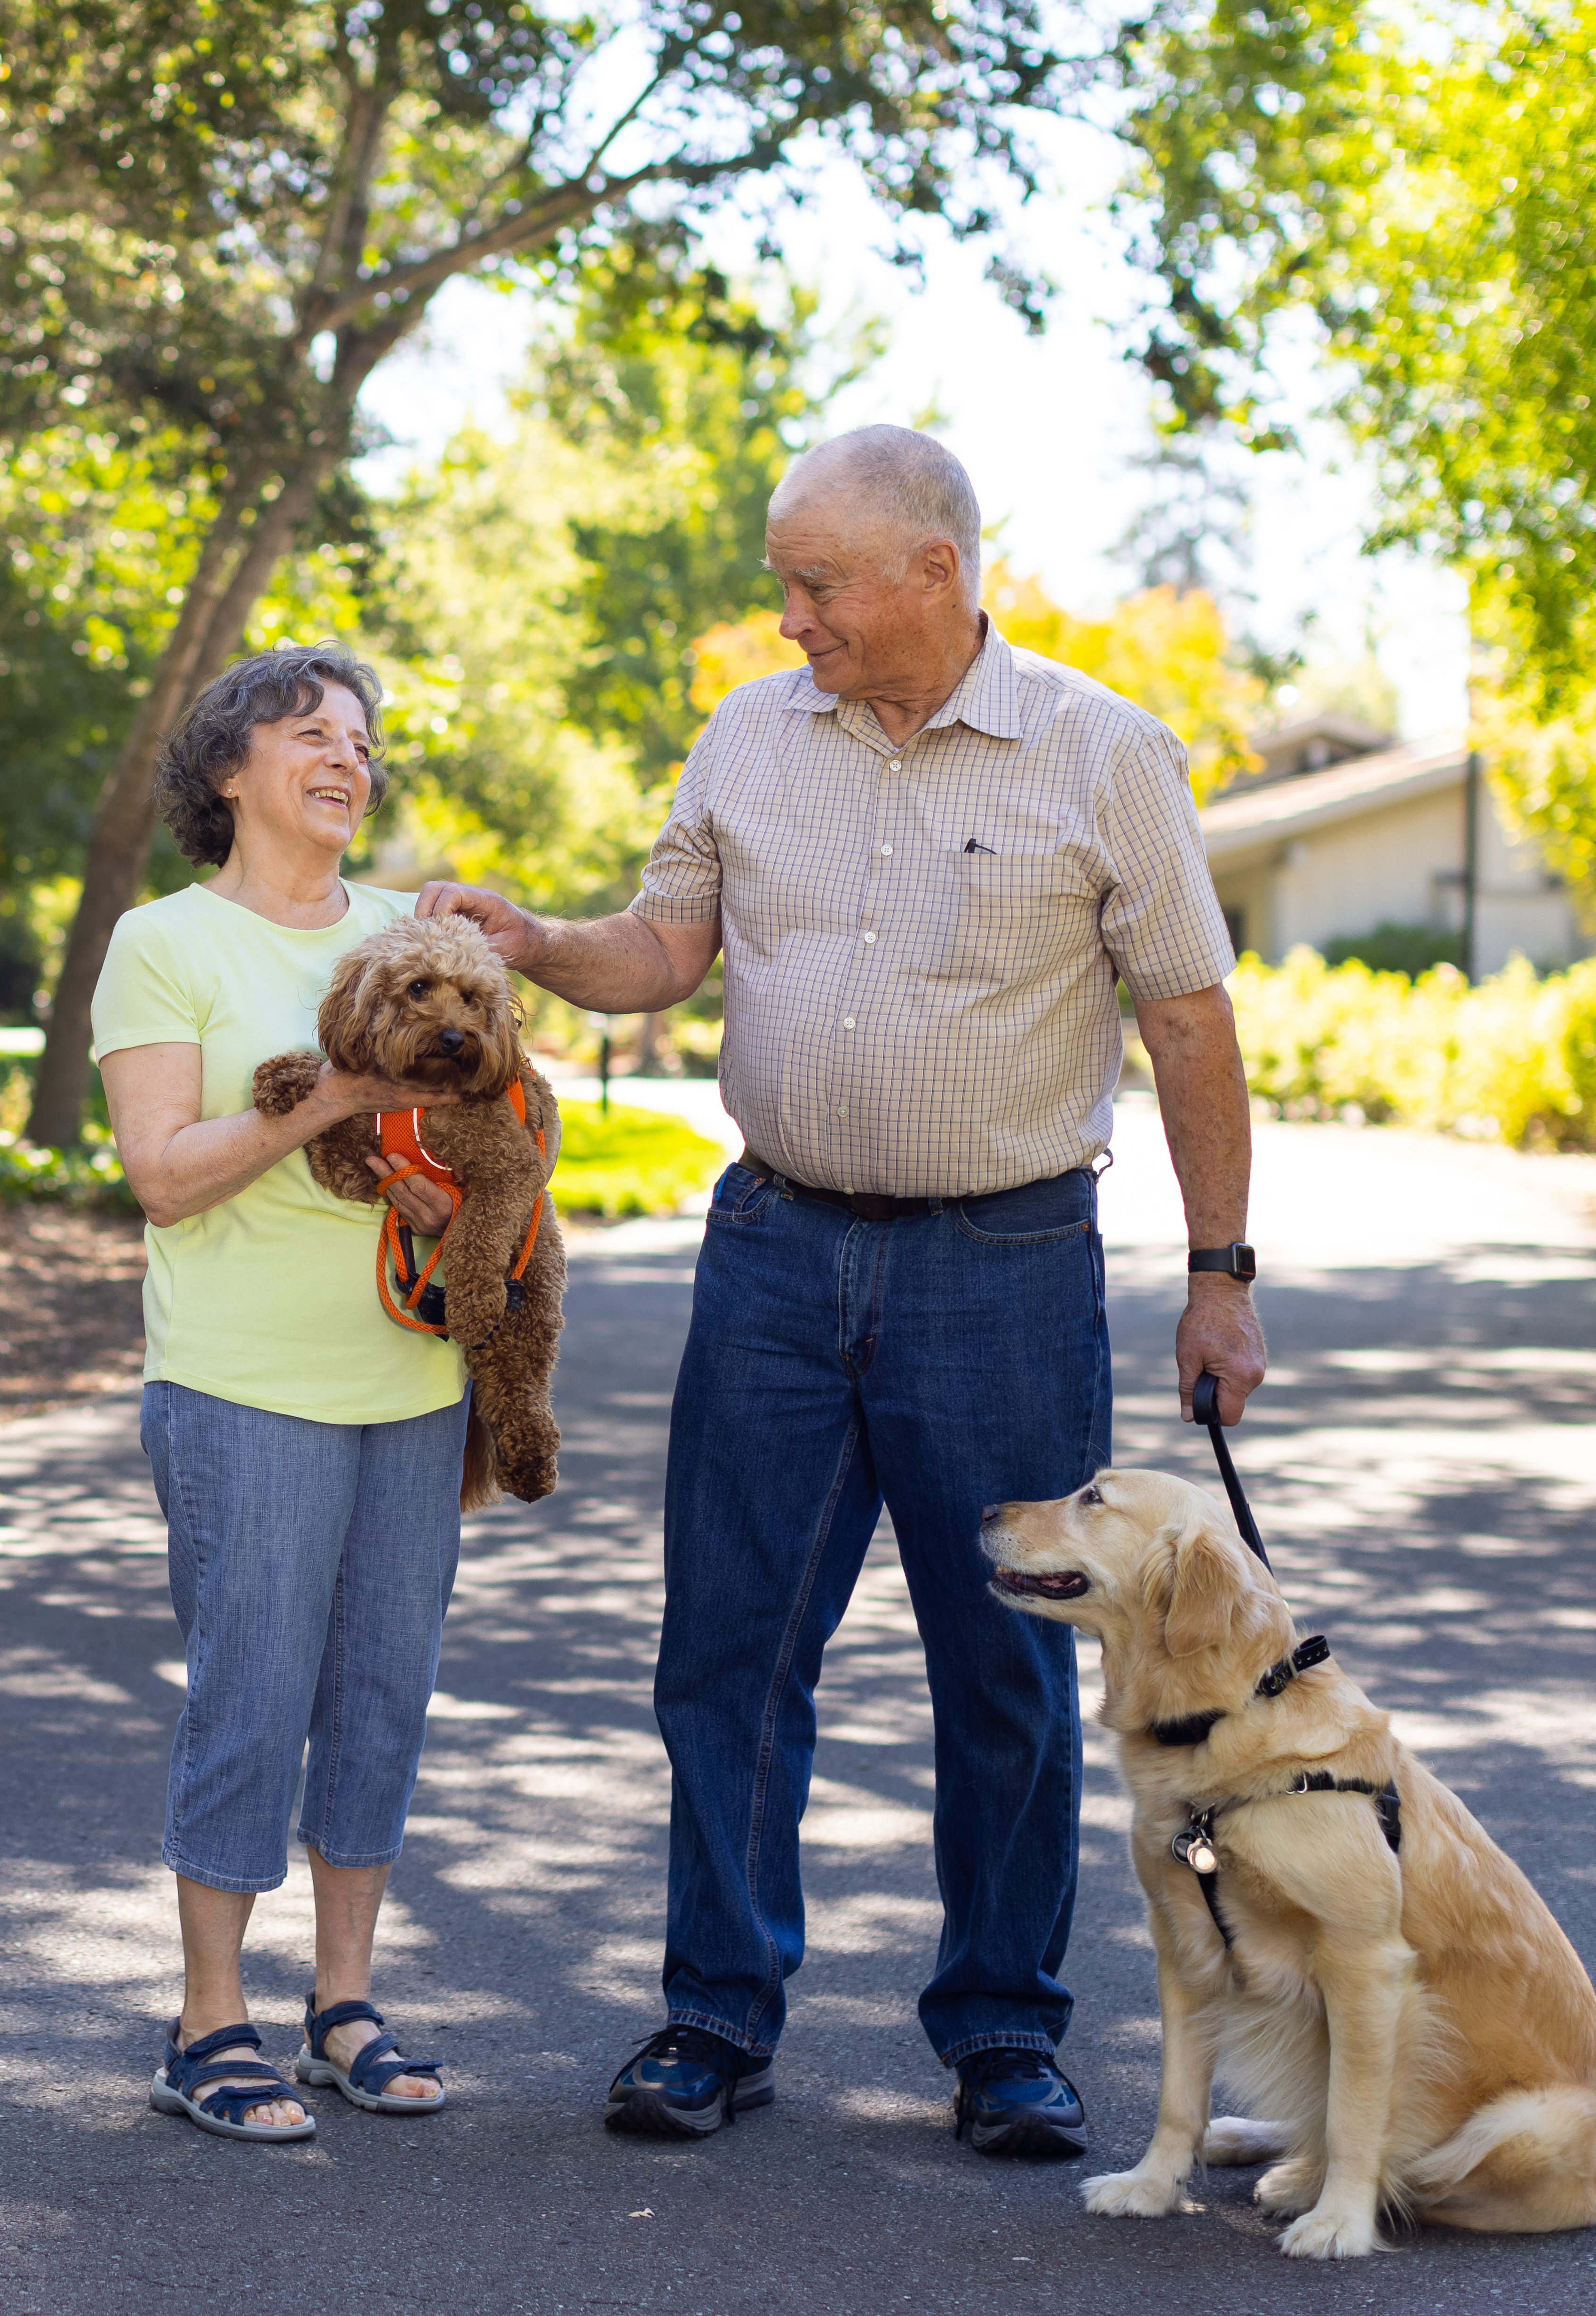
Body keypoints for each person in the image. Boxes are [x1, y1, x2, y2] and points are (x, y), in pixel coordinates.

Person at [414, 424, 1270, 2160]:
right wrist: (540, 945)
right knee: (728, 1649)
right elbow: (665, 947)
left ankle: (1008, 2034)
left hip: (1007, 1269)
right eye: (783, 583)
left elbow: (1189, 1021)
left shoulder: (1104, 754)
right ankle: (715, 2013)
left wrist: (1218, 1277)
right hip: (779, 1254)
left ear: (933, 575)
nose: (788, 616)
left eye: (815, 585)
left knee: (1010, 1669)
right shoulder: (750, 731)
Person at [92, 644, 478, 2143]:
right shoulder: (165, 940)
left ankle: (345, 2005)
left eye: (365, 740)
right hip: (243, 1387)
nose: (347, 755)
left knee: (380, 1697)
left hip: (414, 1375)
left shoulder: (415, 930)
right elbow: (163, 1178)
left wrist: (469, 1208)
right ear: (228, 770)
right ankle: (208, 2023)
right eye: (310, 731)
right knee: (251, 1699)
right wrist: (329, 1096)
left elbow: (489, 1127)